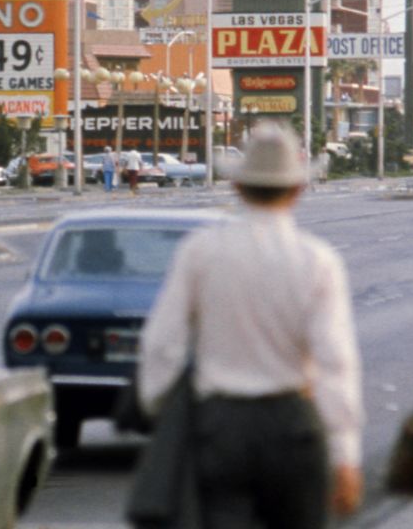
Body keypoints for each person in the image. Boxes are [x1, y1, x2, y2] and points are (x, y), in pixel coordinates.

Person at [138, 123, 363, 528]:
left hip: (222, 420)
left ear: (238, 188)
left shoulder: (201, 252)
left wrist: (161, 408)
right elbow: (335, 363)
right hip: (291, 419)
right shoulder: (316, 261)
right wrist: (345, 453)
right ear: (297, 190)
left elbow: (161, 344)